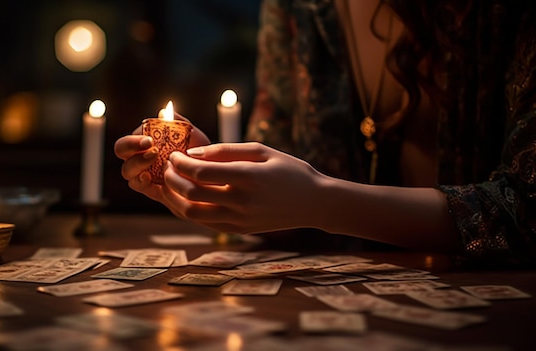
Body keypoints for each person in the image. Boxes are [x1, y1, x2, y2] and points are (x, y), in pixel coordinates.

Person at [115, 0, 536, 267]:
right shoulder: (299, 9)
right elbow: (284, 208)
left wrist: (319, 199)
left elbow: (527, 213)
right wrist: (220, 181)